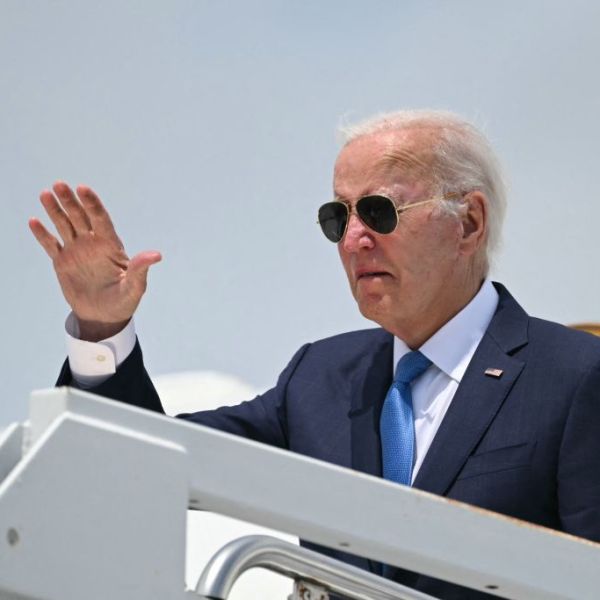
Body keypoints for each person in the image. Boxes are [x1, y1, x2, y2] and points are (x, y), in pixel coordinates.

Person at [29, 110, 600, 600]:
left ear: (468, 222)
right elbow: (147, 458)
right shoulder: (321, 379)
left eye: (378, 212)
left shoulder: (574, 376)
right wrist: (103, 326)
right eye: (338, 217)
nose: (353, 240)